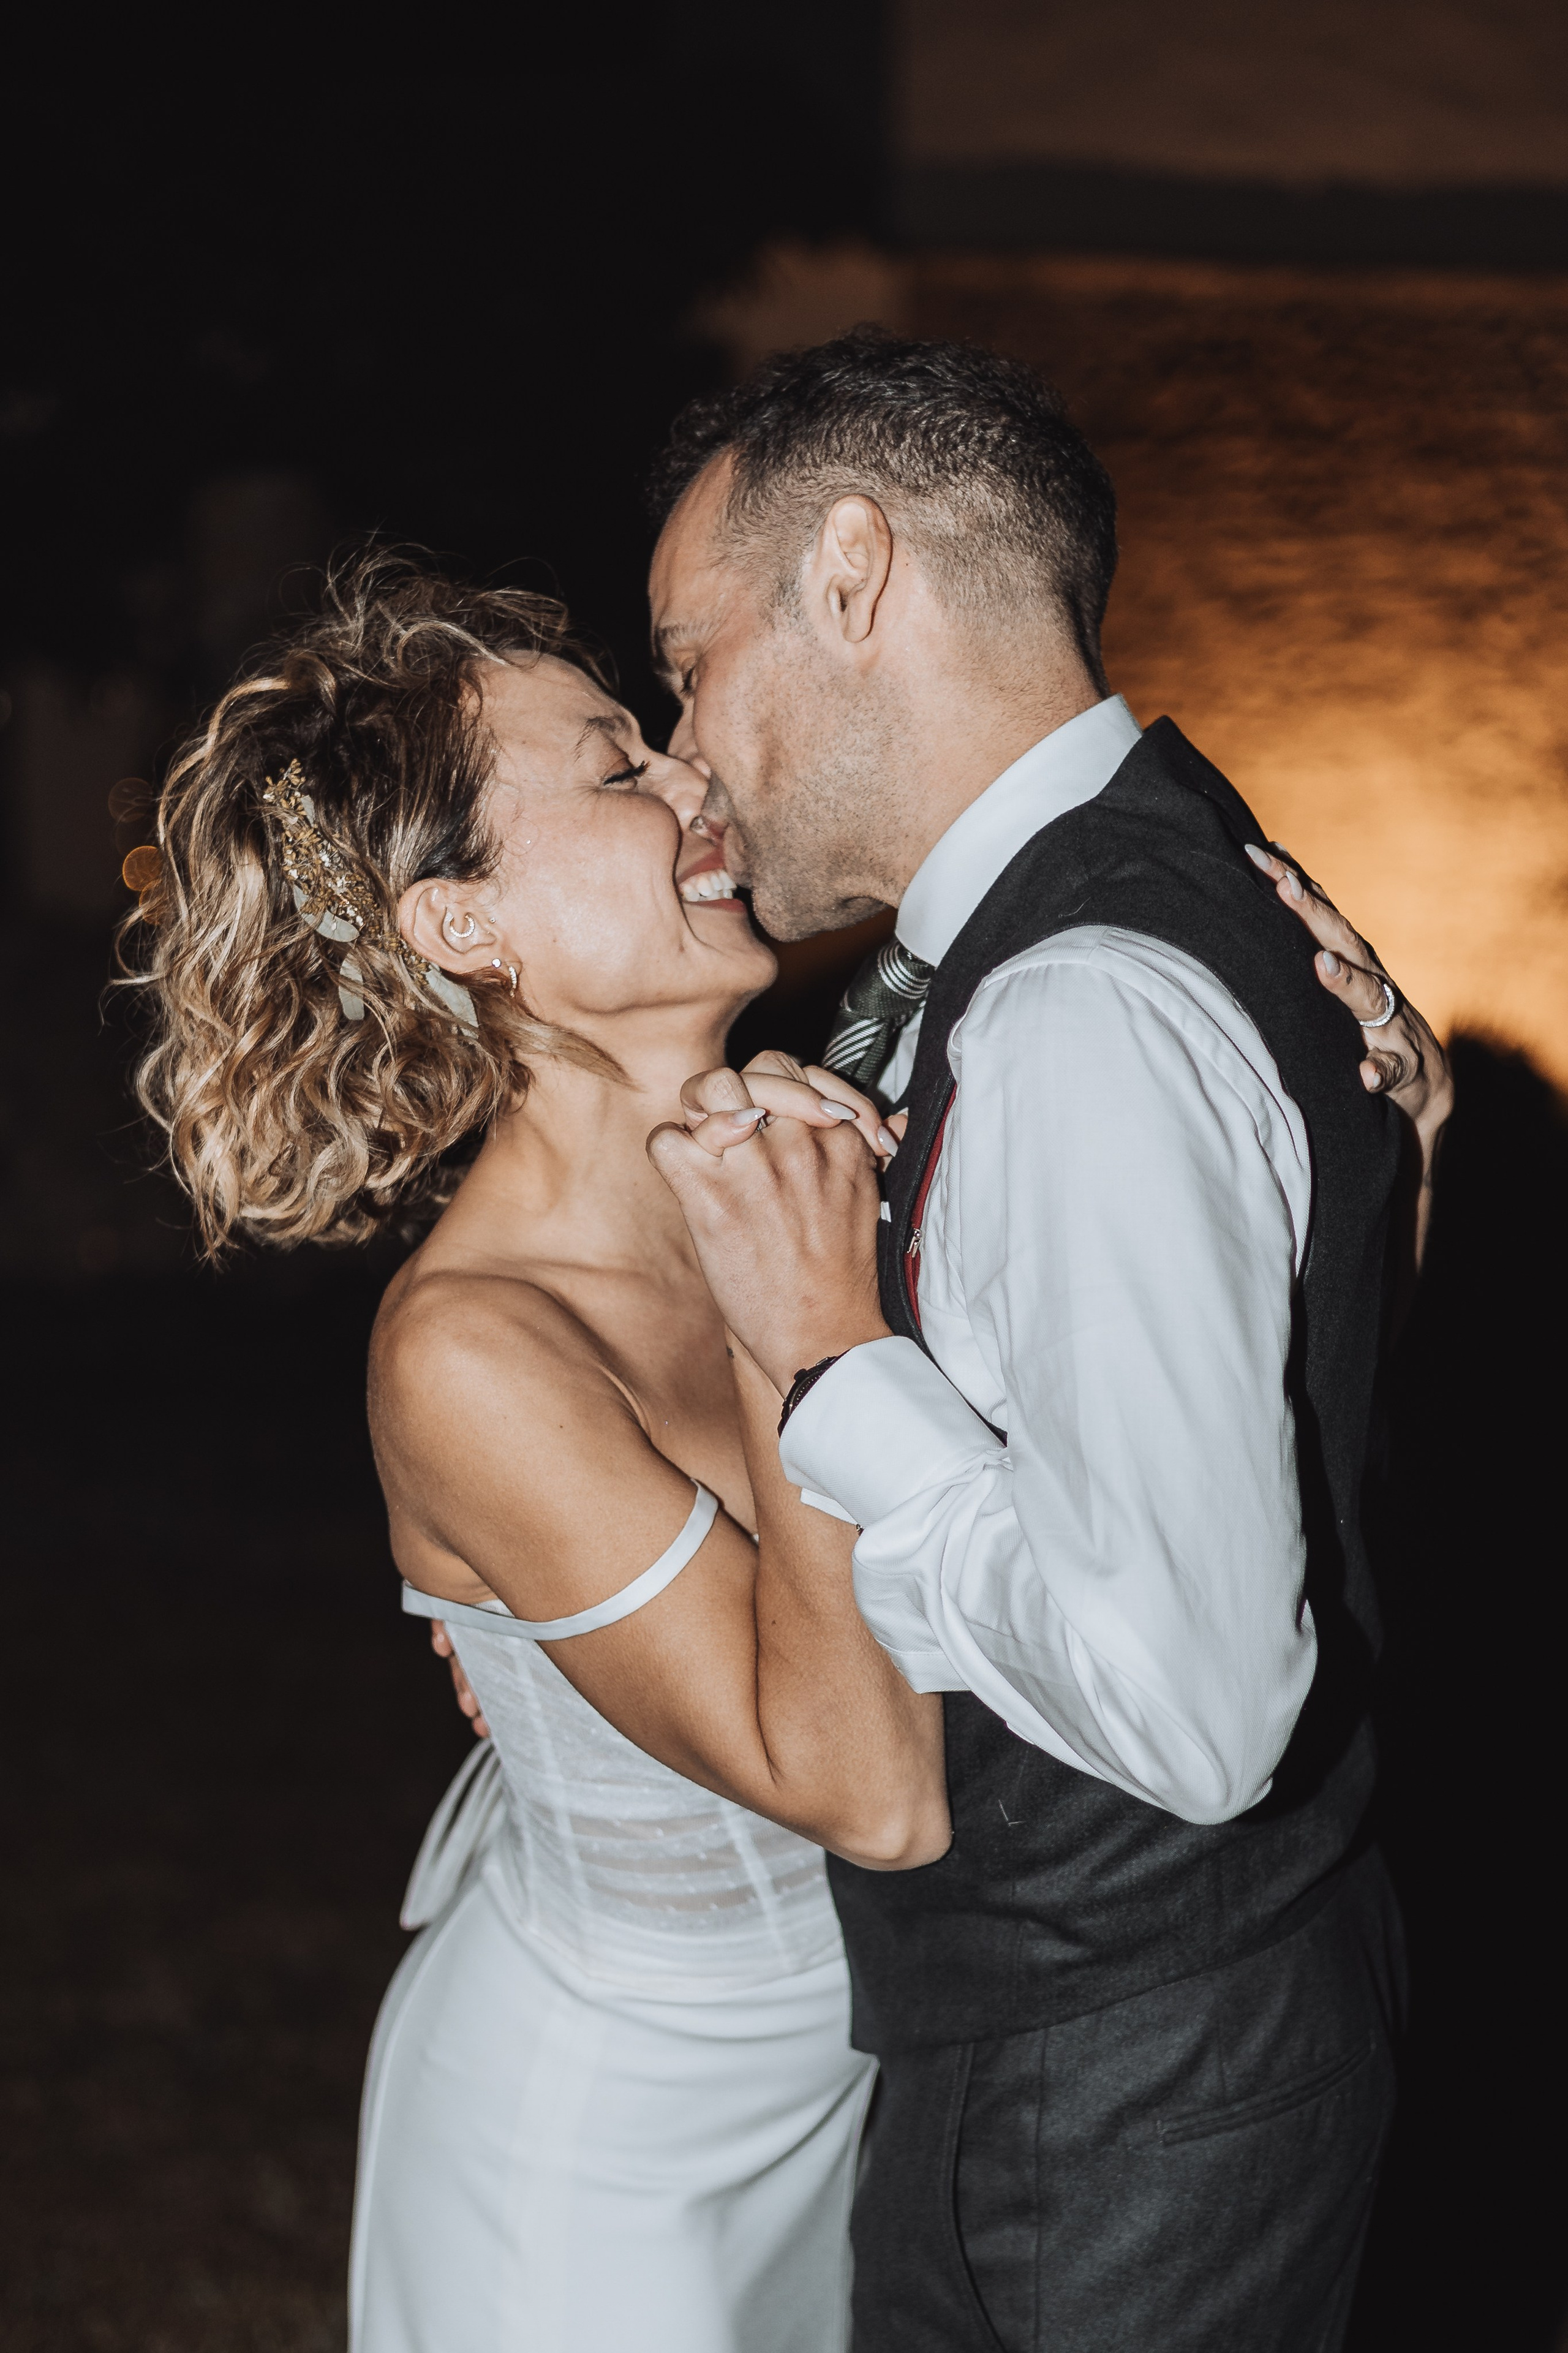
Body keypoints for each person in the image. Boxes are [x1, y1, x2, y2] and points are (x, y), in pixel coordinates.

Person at [643, 330, 1452, 2353]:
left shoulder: (1079, 998)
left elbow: (1197, 1706)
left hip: (1122, 2089)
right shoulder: (1133, 890)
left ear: (852, 574)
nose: (682, 753)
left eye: (685, 663)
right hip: (1143, 2045)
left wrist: (838, 1369)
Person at [124, 551, 949, 2353]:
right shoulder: (474, 1350)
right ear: (460, 923)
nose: (693, 782)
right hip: (602, 2165)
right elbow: (872, 1793)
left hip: (864, 2090)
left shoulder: (820, 1148)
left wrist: (1386, 1167)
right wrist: (801, 1330)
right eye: (617, 767)